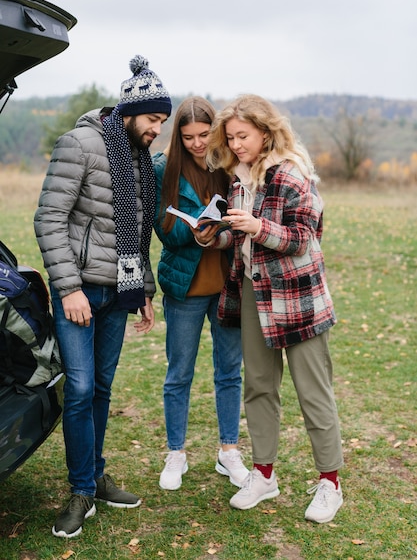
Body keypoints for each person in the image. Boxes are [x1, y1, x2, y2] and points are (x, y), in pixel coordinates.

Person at [34, 55, 172, 538]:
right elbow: (49, 218)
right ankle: (80, 491)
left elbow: (136, 230)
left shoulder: (136, 156)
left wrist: (144, 290)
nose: (158, 129)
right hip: (80, 292)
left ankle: (95, 476)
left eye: (162, 122)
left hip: (119, 292)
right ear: (132, 112)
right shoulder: (80, 143)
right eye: (154, 119)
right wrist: (68, 288)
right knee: (78, 389)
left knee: (101, 389)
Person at [193, 94, 344, 524]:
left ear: (265, 131)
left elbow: (302, 237)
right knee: (258, 387)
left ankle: (330, 483)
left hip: (299, 300)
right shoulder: (238, 178)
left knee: (313, 392)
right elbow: (240, 237)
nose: (236, 144)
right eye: (231, 137)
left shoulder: (293, 173)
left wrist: (258, 226)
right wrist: (212, 235)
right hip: (254, 297)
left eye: (243, 136)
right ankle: (263, 475)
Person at [152, 96, 249, 491]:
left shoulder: (229, 166)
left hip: (228, 284)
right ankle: (176, 453)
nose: (196, 143)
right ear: (179, 135)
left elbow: (241, 222)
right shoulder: (164, 168)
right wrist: (190, 233)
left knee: (229, 372)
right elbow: (162, 227)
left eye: (203, 134)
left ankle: (229, 451)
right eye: (188, 136)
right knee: (179, 373)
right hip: (185, 287)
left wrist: (221, 234)